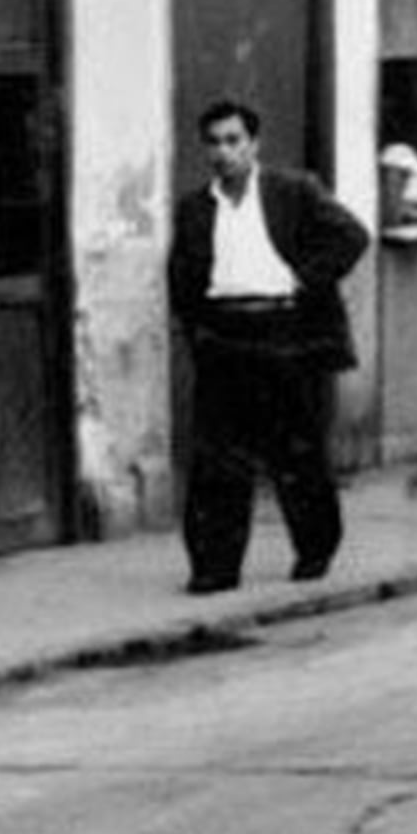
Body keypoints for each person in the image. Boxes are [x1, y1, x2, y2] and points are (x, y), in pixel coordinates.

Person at [168, 99, 369, 595]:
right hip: (224, 337)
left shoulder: (291, 192)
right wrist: (198, 331)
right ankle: (215, 566)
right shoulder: (195, 208)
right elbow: (182, 278)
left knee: (295, 450)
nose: (223, 152)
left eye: (234, 141)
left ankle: (314, 549)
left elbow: (351, 236)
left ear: (254, 145)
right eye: (213, 143)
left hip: (283, 334)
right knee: (218, 459)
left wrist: (302, 280)